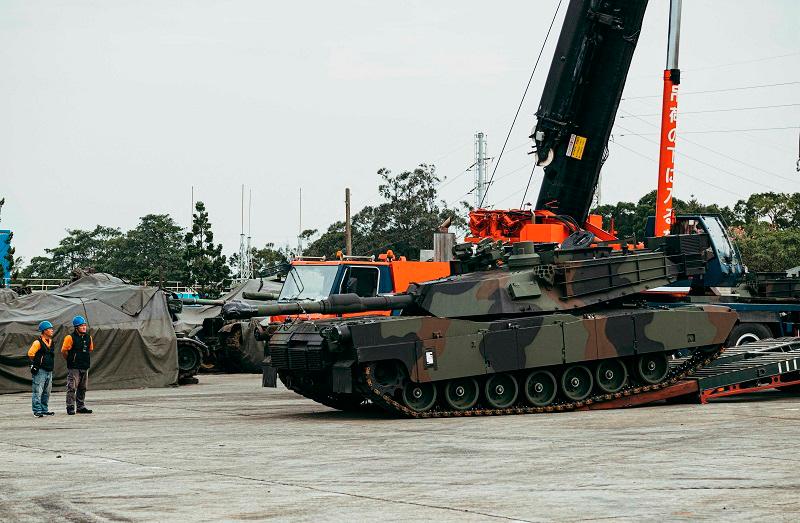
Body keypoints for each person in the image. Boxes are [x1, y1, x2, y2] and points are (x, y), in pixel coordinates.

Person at [61, 315, 94, 415]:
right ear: (76, 327)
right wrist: (71, 359)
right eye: (81, 325)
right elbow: (64, 351)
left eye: (84, 325)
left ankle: (80, 406)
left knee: (83, 387)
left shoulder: (89, 338)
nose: (84, 327)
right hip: (74, 367)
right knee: (72, 387)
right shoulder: (70, 338)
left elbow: (90, 349)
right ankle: (70, 406)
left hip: (84, 366)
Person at [28, 320, 56, 418]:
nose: (52, 330)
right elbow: (31, 354)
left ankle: (44, 409)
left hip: (49, 370)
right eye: (49, 329)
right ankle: (37, 410)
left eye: (52, 328)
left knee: (46, 392)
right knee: (37, 391)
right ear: (44, 331)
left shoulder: (51, 342)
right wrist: (37, 363)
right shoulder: (37, 342)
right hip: (40, 370)